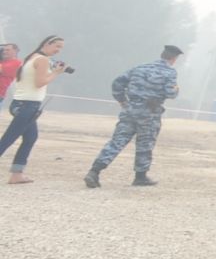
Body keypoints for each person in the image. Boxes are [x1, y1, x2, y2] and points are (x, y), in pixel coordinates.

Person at [85, 44, 184, 187]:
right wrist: (176, 89)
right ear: (174, 59)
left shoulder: (140, 67)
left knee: (116, 141)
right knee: (145, 143)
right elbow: (171, 93)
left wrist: (122, 101)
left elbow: (117, 83)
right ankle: (140, 176)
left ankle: (94, 172)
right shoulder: (170, 72)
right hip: (150, 112)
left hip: (130, 109)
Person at [1, 36, 68, 184]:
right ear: (46, 44)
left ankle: (17, 173)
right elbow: (40, 83)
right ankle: (16, 173)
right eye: (57, 46)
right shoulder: (42, 60)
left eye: (61, 48)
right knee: (7, 139)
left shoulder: (31, 57)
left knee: (30, 137)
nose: (58, 50)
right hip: (28, 105)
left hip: (21, 103)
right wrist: (56, 73)